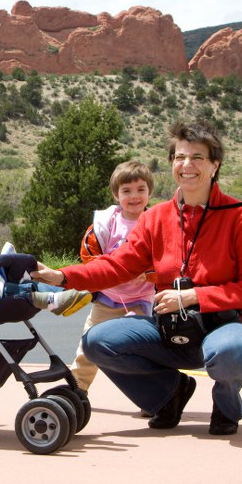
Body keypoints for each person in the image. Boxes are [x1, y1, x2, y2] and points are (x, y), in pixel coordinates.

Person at [32, 120, 242, 435]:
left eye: (197, 157)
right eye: (179, 157)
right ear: (172, 163)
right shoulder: (156, 218)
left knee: (229, 354)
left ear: (215, 165)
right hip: (172, 329)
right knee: (98, 341)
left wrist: (193, 296)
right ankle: (169, 394)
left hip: (226, 327)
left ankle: (226, 405)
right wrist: (61, 276)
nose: (187, 165)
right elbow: (117, 265)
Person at [70, 161, 157, 394]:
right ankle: (76, 390)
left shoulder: (156, 224)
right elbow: (89, 255)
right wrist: (106, 273)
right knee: (87, 346)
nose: (134, 196)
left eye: (140, 189)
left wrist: (148, 273)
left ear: (150, 192)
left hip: (140, 301)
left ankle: (151, 396)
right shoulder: (107, 223)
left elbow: (166, 259)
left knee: (142, 350)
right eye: (126, 190)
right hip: (107, 300)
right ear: (115, 195)